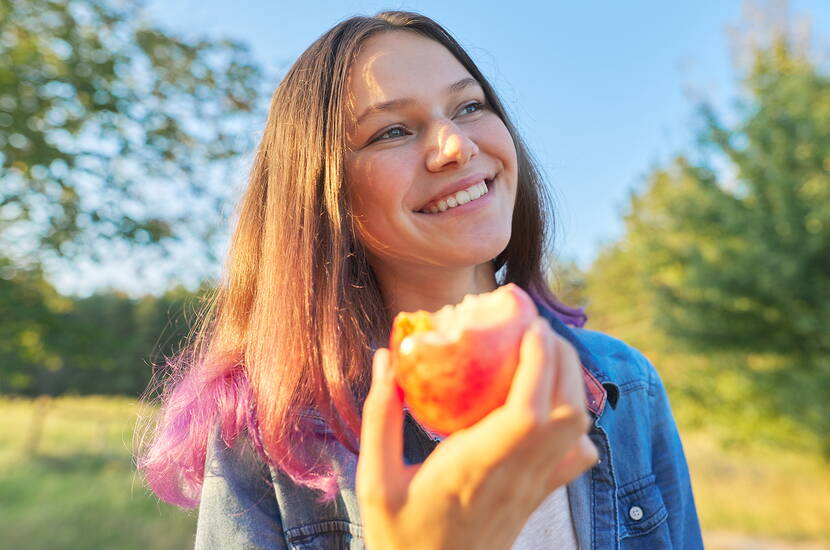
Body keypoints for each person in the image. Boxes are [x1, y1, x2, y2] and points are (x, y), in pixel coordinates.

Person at [136, 10, 704, 550]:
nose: (456, 146)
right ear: (325, 197)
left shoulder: (625, 386)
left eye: (469, 107)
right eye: (391, 132)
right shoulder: (269, 433)